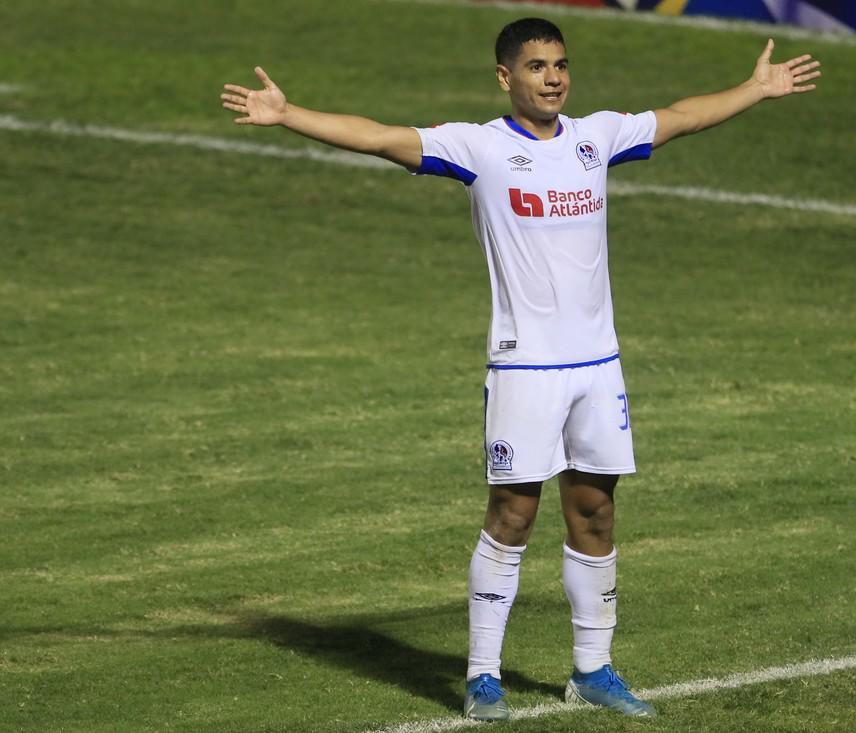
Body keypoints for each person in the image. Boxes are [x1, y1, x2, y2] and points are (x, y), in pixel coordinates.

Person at [221, 16, 820, 721]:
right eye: (537, 67)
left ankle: (593, 668)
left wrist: (754, 89)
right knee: (513, 513)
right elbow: (383, 137)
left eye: (561, 64)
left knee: (595, 510)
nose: (554, 77)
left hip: (598, 367)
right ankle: (482, 677)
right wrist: (289, 115)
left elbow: (682, 119)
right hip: (524, 369)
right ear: (506, 77)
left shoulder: (595, 137)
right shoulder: (479, 147)